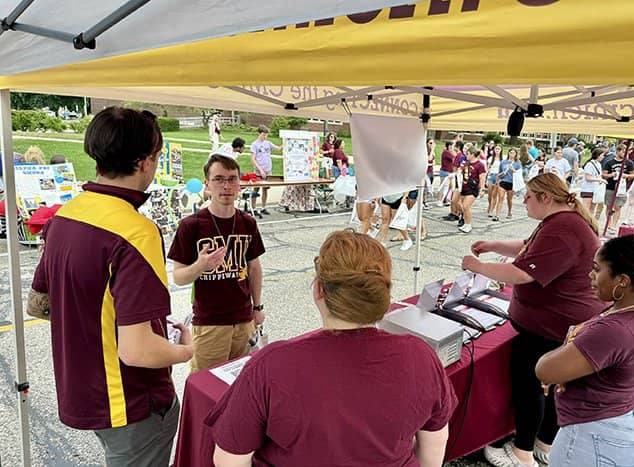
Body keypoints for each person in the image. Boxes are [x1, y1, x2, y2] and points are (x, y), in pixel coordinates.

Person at [26, 107, 193, 467]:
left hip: (84, 392)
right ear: (146, 161)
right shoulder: (135, 231)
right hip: (130, 402)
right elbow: (137, 351)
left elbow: (38, 304)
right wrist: (185, 352)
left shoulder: (65, 216)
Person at [205, 230, 457, 466]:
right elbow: (433, 449)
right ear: (384, 294)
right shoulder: (420, 355)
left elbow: (229, 460)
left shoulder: (272, 365)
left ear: (319, 290)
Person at [461, 173, 604, 467]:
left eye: (527, 197)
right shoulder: (562, 222)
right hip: (560, 323)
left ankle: (522, 451)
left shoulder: (563, 228)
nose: (523, 202)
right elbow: (528, 248)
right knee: (553, 384)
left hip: (549, 326)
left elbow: (522, 273)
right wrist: (492, 244)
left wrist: (478, 266)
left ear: (545, 198)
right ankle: (545, 442)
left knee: (533, 385)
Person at [536, 234, 634, 467]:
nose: (590, 275)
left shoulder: (616, 330)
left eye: (597, 269)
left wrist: (562, 364)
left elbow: (545, 371)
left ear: (622, 281)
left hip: (595, 438)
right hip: (620, 420)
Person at [168, 155, 265, 373]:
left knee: (241, 383)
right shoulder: (191, 226)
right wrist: (200, 266)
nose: (226, 186)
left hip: (244, 320)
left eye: (232, 179)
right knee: (207, 386)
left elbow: (254, 267)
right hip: (210, 323)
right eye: (219, 179)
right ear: (207, 184)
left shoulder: (247, 223)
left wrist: (257, 307)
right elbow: (178, 276)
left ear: (239, 184)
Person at [602, 144, 634, 235]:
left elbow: (633, 174)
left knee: (618, 206)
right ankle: (609, 223)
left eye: (626, 152)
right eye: (623, 151)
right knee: (609, 206)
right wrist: (612, 175)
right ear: (617, 151)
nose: (624, 154)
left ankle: (613, 225)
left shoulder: (629, 163)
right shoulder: (609, 162)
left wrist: (626, 176)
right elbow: (604, 174)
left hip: (622, 188)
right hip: (610, 187)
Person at [250, 125, 281, 218]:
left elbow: (278, 149)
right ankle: (254, 208)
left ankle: (263, 207)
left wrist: (286, 141)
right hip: (259, 171)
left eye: (266, 135)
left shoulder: (268, 143)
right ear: (260, 134)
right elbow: (253, 159)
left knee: (265, 189)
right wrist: (260, 170)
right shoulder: (254, 144)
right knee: (256, 189)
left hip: (268, 170)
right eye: (264, 134)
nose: (265, 136)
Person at [458, 146, 486, 234]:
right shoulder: (466, 163)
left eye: (468, 154)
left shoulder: (480, 165)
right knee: (463, 207)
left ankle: (469, 225)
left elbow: (482, 178)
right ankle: (466, 223)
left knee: (466, 206)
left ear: (473, 155)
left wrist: (482, 189)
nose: (466, 155)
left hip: (473, 188)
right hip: (464, 187)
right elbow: (460, 171)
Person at [493, 148, 521, 222]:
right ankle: (497, 215)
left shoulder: (517, 163)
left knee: (509, 199)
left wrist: (513, 170)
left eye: (513, 153)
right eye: (510, 152)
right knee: (501, 198)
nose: (512, 154)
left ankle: (509, 211)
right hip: (503, 181)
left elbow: (519, 174)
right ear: (508, 153)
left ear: (516, 154)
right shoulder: (503, 162)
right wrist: (497, 181)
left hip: (512, 182)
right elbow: (499, 172)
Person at [580, 147, 607, 221]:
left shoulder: (598, 164)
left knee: (592, 207)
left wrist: (600, 180)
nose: (603, 157)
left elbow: (599, 175)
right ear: (598, 155)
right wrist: (599, 179)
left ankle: (590, 221)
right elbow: (588, 178)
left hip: (595, 189)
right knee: (586, 207)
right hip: (588, 189)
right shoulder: (589, 164)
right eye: (602, 155)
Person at [486, 144, 503, 218]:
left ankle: (491, 210)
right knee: (489, 194)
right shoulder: (490, 158)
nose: (497, 150)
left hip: (498, 176)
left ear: (501, 150)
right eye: (496, 149)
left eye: (499, 149)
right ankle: (490, 205)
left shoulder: (503, 159)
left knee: (494, 194)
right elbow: (488, 168)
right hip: (491, 176)